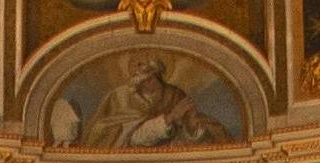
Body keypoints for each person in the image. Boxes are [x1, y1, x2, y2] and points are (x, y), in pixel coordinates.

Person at [79, 57, 227, 147]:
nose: (151, 83)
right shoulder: (121, 97)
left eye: (153, 78)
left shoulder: (174, 94)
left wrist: (192, 127)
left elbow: (189, 131)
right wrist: (170, 118)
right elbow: (131, 138)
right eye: (146, 80)